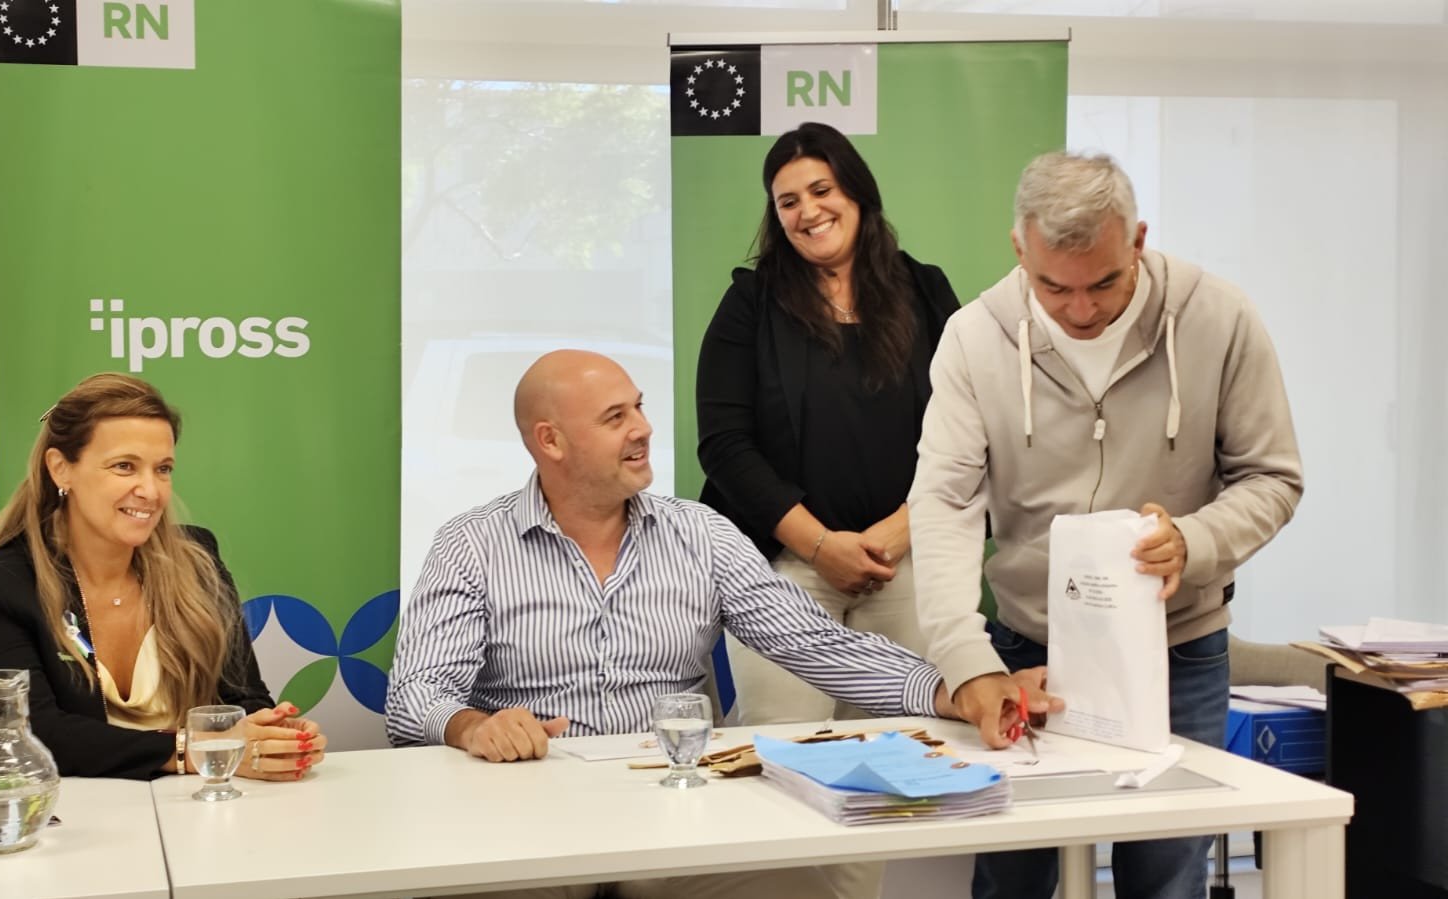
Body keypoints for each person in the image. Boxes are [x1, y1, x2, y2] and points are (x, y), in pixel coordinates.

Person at [387, 349, 1059, 899]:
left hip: (675, 815)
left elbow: (818, 643)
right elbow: (414, 695)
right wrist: (473, 725)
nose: (643, 428)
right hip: (525, 820)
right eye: (615, 417)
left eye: (639, 407)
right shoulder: (470, 544)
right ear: (550, 440)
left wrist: (958, 689)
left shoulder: (701, 534)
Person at [909, 151, 1303, 899]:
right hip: (1027, 649)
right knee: (1011, 875)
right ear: (1018, 249)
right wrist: (967, 661)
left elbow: (1272, 475)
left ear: (1139, 241)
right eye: (1054, 286)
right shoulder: (974, 337)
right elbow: (945, 503)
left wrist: (1196, 540)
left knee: (1167, 876)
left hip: (1177, 647)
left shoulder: (1218, 318)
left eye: (1104, 283)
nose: (1081, 309)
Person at [697, 121, 960, 727]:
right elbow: (725, 444)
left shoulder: (926, 291)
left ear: (857, 193)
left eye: (821, 191)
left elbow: (970, 430)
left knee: (907, 747)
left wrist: (899, 532)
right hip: (785, 571)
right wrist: (819, 545)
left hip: (905, 561)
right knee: (786, 751)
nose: (808, 212)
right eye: (788, 201)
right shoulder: (750, 304)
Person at [0, 373, 329, 780]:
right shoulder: (1, 586)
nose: (150, 491)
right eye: (124, 466)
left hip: (200, 805)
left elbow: (243, 699)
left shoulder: (198, 559)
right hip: (80, 810)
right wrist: (189, 752)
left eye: (163, 469)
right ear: (61, 469)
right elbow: (33, 732)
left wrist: (272, 736)